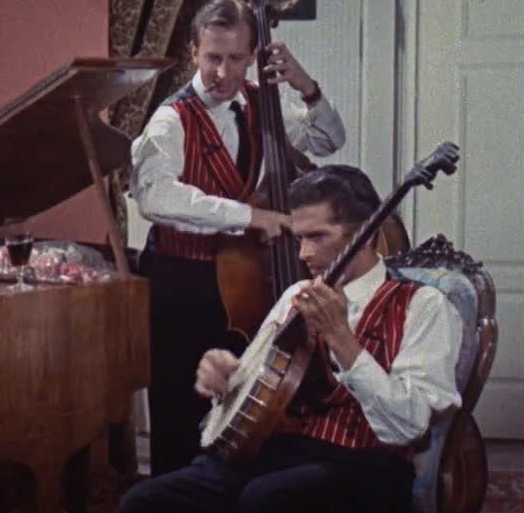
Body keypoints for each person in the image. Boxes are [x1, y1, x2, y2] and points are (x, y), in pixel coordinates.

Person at [118, 165, 463, 513]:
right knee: (144, 502)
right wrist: (227, 379)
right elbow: (257, 385)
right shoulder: (296, 295)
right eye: (300, 239)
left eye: (318, 237)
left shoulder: (424, 306)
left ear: (367, 233)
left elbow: (409, 426)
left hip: (370, 462)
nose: (303, 254)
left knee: (266, 499)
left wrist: (341, 337)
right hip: (282, 450)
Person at [130, 0, 347, 475]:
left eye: (234, 59)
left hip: (245, 281)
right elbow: (157, 197)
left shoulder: (259, 101)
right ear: (193, 51)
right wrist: (252, 217)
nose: (222, 73)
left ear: (252, 56)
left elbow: (328, 140)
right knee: (183, 407)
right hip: (182, 280)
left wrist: (306, 87)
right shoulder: (170, 119)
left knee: (239, 405)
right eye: (212, 58)